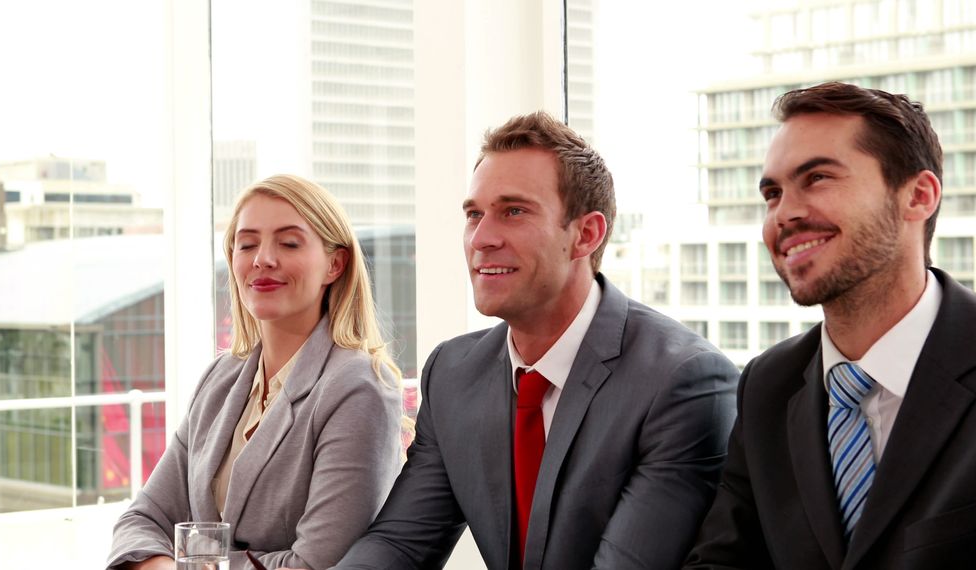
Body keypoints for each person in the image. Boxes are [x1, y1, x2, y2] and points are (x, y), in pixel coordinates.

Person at [334, 111, 739, 569]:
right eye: (473, 215)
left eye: (514, 211)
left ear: (586, 234)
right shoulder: (452, 372)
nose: (481, 238)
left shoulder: (681, 380)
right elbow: (400, 545)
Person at [685, 82, 976, 569]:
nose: (785, 214)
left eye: (817, 178)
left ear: (918, 196)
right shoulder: (766, 386)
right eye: (773, 193)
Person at [107, 174, 404, 570]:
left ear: (335, 264)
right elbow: (141, 519)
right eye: (247, 244)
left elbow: (317, 563)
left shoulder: (358, 387)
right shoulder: (221, 378)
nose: (263, 258)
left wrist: (198, 563)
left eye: (289, 242)